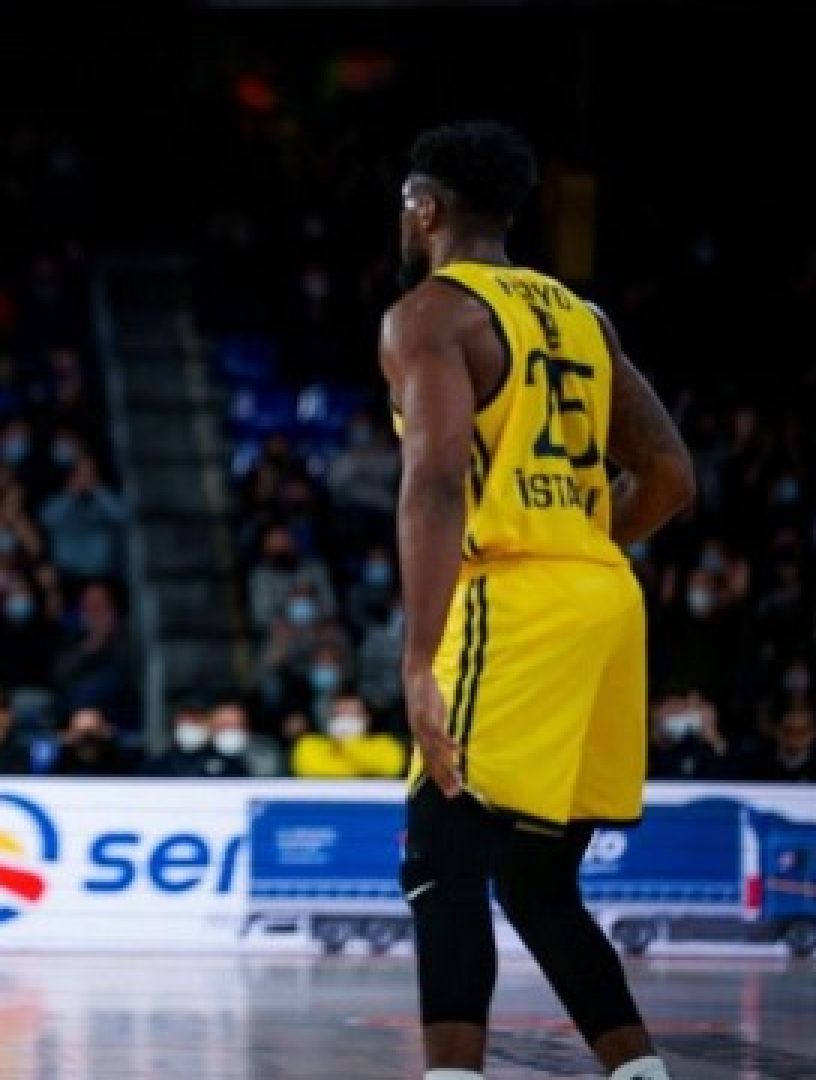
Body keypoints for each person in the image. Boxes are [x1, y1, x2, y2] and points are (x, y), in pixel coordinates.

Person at [381, 120, 695, 1080]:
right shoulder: (581, 316)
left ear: (427, 209)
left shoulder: (432, 316)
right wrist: (580, 544)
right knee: (536, 878)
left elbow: (437, 482)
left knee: (439, 860)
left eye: (405, 206)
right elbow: (670, 476)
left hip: (512, 597)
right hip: (602, 593)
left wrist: (418, 661)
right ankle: (640, 1071)